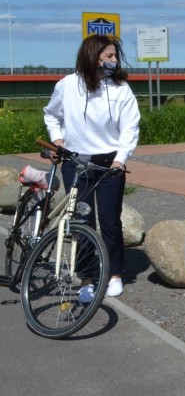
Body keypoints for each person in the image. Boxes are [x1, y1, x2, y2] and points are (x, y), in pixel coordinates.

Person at [44, 34, 141, 302]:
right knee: (82, 220)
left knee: (110, 221)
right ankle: (87, 276)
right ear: (92, 57)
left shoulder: (121, 89)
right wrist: (57, 139)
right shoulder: (67, 85)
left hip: (110, 163)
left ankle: (114, 274)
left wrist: (121, 159)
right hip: (76, 162)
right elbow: (51, 114)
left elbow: (130, 129)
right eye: (109, 56)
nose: (114, 61)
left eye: (115, 56)